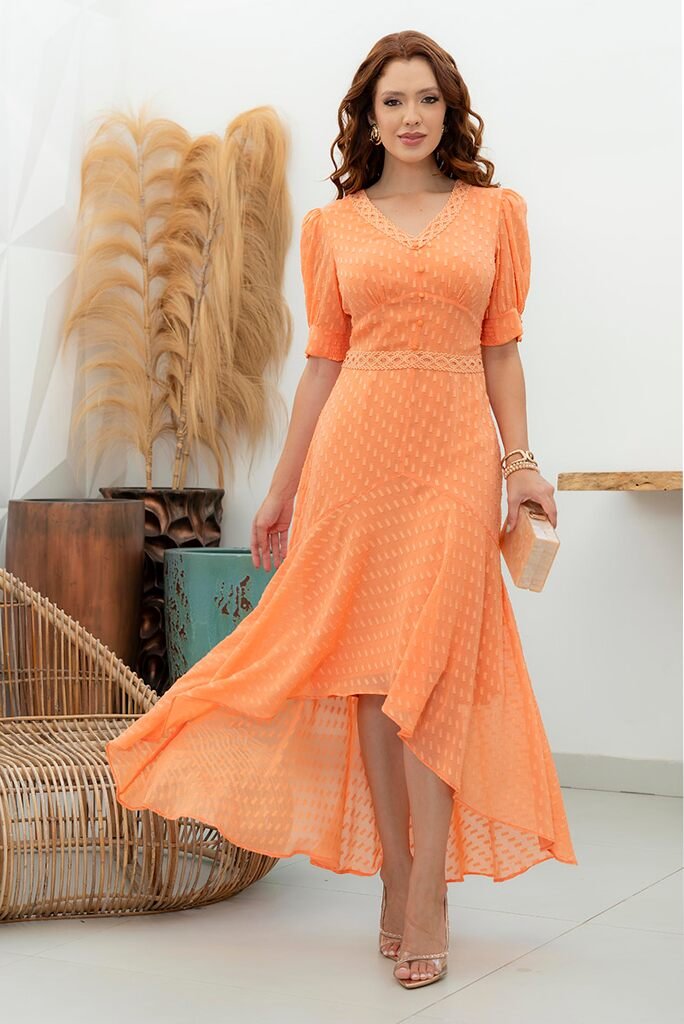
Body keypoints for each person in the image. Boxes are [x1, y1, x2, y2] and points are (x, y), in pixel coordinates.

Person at [106, 30, 578, 991]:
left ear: (451, 110)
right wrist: (281, 490)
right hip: (357, 457)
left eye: (427, 99)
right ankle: (398, 874)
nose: (411, 117)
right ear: (367, 116)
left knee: (433, 671)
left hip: (453, 457)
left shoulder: (494, 214)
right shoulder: (334, 227)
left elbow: (501, 349)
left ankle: (430, 893)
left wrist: (521, 464)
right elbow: (323, 366)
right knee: (367, 672)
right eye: (392, 101)